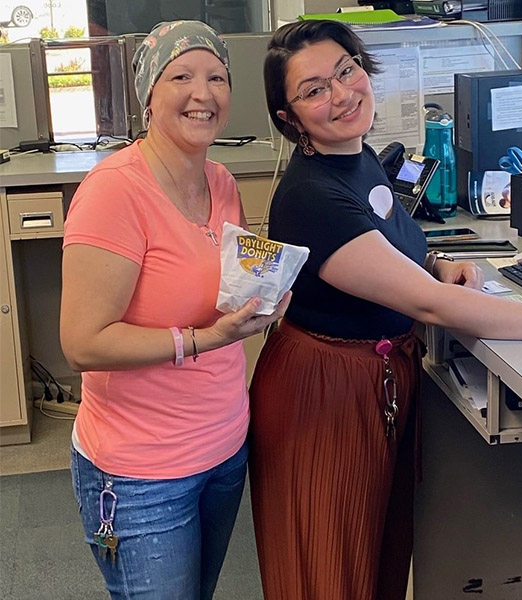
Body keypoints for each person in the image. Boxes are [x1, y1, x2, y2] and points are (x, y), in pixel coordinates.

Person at [248, 19, 522, 600]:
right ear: (289, 119)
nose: (341, 94)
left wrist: (435, 262)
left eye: (346, 70)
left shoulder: (355, 159)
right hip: (324, 394)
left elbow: (393, 244)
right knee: (327, 569)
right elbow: (433, 306)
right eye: (314, 90)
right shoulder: (311, 197)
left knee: (378, 559)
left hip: (375, 379)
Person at [60, 20, 289, 600]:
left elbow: (218, 289)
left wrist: (263, 299)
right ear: (148, 96)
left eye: (216, 77)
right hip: (140, 472)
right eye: (180, 76)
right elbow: (84, 342)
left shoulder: (222, 180)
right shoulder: (115, 191)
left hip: (224, 448)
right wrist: (204, 339)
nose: (202, 93)